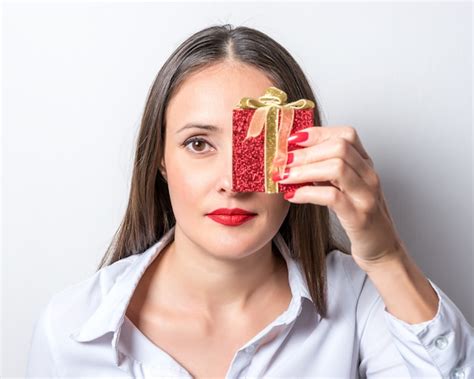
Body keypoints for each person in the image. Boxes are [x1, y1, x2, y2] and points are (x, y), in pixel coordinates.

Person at [26, 24, 473, 378]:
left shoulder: (362, 302)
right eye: (199, 144)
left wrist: (386, 255)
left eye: (262, 145)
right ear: (160, 161)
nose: (232, 184)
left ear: (304, 152)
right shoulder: (71, 329)